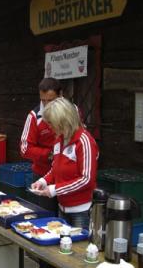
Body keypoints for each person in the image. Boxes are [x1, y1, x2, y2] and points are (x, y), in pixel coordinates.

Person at [31, 98, 98, 230]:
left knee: (79, 249)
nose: (50, 127)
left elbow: (86, 179)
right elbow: (55, 168)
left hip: (81, 211)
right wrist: (43, 181)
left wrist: (55, 189)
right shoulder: (59, 139)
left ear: (63, 121)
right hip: (62, 207)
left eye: (52, 123)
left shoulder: (84, 141)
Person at [20, 78, 63, 196]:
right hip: (42, 174)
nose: (46, 105)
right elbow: (25, 149)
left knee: (64, 213)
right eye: (43, 100)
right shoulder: (34, 116)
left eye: (51, 100)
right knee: (45, 213)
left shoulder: (72, 111)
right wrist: (49, 154)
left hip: (67, 175)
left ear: (60, 95)